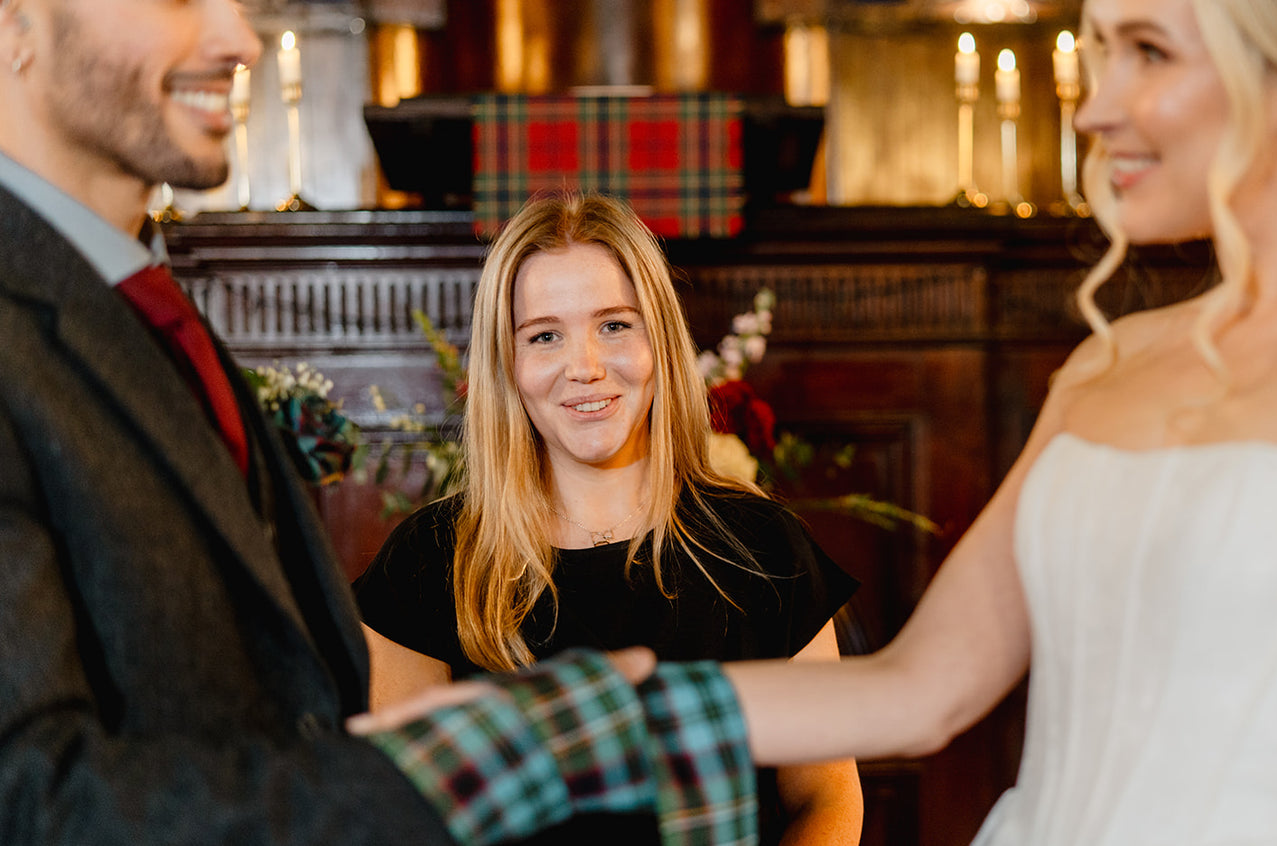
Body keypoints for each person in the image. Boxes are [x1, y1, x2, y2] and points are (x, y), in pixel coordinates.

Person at [0, 1, 760, 843]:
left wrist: (894, 698)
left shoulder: (148, 314)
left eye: (615, 324)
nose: (239, 38)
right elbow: (32, 799)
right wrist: (532, 746)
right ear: (13, 23)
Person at [719, 0, 1277, 844]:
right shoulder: (1106, 362)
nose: (1095, 107)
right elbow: (916, 689)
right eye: (1103, 51)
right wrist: (613, 719)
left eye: (1149, 52)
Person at [353, 192, 865, 846]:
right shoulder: (427, 561)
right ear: (507, 365)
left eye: (614, 325)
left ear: (659, 341)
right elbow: (395, 823)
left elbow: (823, 800)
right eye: (544, 336)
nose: (585, 368)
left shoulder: (762, 545)